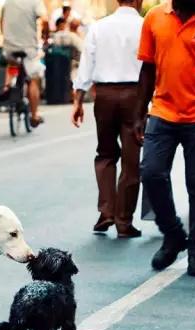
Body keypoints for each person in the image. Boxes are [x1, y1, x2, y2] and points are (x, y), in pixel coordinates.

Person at [134, 0, 195, 277]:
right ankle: (172, 233)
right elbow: (147, 69)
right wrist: (140, 114)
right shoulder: (154, 17)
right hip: (162, 113)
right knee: (151, 173)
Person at [71, 0, 143, 238]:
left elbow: (86, 66)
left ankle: (106, 211)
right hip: (136, 96)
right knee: (131, 159)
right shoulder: (145, 26)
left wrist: (78, 100)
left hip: (105, 95)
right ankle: (124, 220)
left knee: (105, 153)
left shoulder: (99, 27)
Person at [0, 0, 48, 127]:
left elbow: (2, 21)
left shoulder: (8, 2)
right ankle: (34, 115)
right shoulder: (35, 2)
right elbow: (44, 19)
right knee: (34, 78)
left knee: (12, 65)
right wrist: (45, 36)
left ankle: (8, 86)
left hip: (9, 47)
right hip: (28, 47)